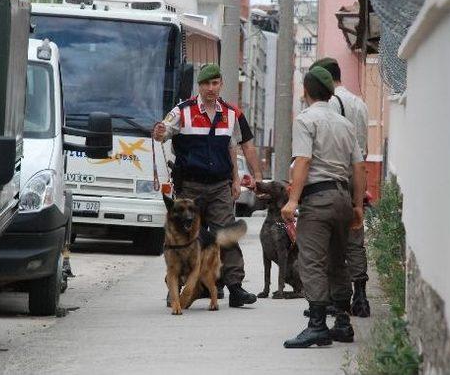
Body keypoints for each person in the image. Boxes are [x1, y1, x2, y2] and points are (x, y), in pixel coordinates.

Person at [153, 63, 263, 307]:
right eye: (206, 84)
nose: (211, 88)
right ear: (199, 86)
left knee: (226, 234)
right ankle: (176, 289)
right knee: (182, 236)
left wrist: (243, 177)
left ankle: (235, 288)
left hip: (220, 186)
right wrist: (159, 132)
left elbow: (238, 146)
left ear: (221, 84)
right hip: (190, 188)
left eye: (215, 83)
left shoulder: (232, 113)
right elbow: (162, 133)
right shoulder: (183, 111)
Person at [281, 66, 365, 348]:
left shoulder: (306, 120)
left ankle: (317, 325)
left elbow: (303, 161)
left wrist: (293, 200)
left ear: (305, 91)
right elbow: (359, 167)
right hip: (343, 197)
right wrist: (357, 206)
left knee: (313, 262)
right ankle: (343, 323)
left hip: (318, 199)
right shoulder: (345, 124)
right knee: (338, 261)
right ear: (330, 93)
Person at [310, 57, 371, 317]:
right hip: (355, 174)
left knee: (330, 244)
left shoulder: (328, 105)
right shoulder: (360, 103)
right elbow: (363, 149)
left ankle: (334, 300)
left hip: (330, 178)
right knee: (355, 239)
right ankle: (361, 296)